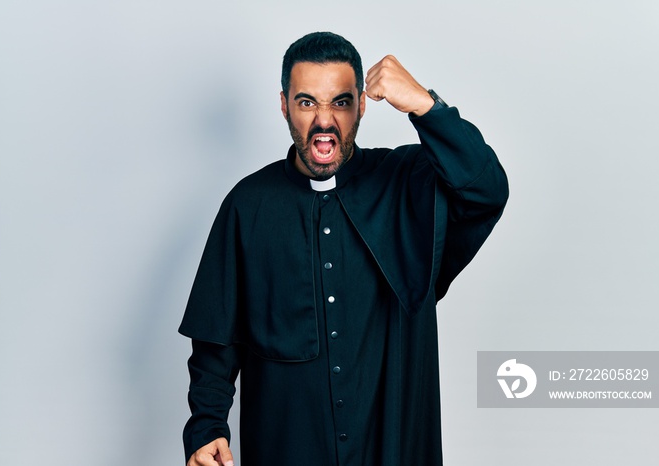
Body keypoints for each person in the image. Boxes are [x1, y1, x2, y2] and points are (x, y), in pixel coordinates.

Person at [179, 31, 508, 466]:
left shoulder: (409, 183)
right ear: (284, 106)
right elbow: (215, 343)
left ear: (362, 105)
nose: (324, 120)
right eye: (307, 102)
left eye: (340, 101)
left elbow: (486, 190)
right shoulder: (248, 205)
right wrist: (207, 428)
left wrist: (426, 106)